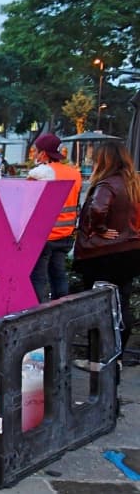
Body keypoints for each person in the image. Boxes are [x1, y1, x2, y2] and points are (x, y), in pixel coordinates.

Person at [72, 141, 140, 347]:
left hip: (103, 253)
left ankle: (99, 355)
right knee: (122, 302)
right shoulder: (134, 183)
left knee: (97, 304)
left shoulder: (107, 184)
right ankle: (117, 353)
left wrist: (100, 229)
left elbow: (98, 209)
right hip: (131, 251)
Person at [27, 132, 83, 302]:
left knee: (39, 278)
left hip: (44, 236)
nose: (34, 154)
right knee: (58, 275)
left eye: (36, 151)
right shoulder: (75, 173)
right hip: (66, 234)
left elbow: (26, 202)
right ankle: (62, 310)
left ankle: (40, 316)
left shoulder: (39, 173)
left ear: (43, 153)